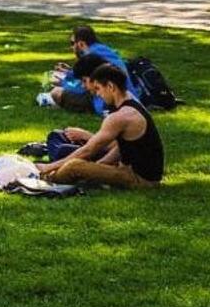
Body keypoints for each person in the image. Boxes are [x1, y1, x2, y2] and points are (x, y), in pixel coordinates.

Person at [37, 64, 165, 188]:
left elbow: (89, 150)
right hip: (134, 171)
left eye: (98, 88)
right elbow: (120, 148)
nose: (97, 94)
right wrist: (99, 166)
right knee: (74, 157)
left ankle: (45, 179)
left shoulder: (121, 116)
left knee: (74, 166)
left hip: (139, 179)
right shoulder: (131, 102)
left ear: (110, 86)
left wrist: (48, 167)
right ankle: (55, 174)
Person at [40, 25, 130, 113]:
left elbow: (85, 87)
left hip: (104, 102)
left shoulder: (91, 57)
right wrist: (69, 73)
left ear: (81, 44)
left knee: (56, 92)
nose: (71, 47)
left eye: (72, 43)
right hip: (125, 95)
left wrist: (63, 83)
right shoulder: (103, 50)